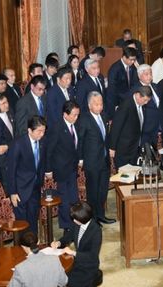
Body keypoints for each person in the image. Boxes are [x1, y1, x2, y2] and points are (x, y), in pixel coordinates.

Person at [78, 92, 115, 224]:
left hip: (104, 160)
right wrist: (81, 158)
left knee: (103, 190)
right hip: (91, 161)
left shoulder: (104, 116)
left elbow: (107, 137)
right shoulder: (84, 119)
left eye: (101, 104)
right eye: (96, 104)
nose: (99, 107)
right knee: (93, 192)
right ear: (89, 105)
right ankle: (92, 219)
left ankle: (101, 215)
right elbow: (80, 140)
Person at [7, 116, 46, 235]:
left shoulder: (42, 142)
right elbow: (11, 170)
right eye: (39, 131)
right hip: (20, 190)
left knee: (33, 219)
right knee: (22, 223)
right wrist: (12, 192)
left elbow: (40, 164)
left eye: (43, 131)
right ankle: (22, 249)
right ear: (30, 130)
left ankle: (33, 245)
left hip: (35, 187)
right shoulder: (18, 144)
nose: (42, 134)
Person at [46, 101, 81, 231]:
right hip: (60, 169)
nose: (76, 117)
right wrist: (48, 169)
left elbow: (76, 145)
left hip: (72, 168)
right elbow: (49, 150)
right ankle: (66, 226)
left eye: (77, 115)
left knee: (74, 198)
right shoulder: (57, 128)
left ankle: (75, 222)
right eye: (74, 115)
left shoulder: (75, 125)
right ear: (65, 114)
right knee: (65, 200)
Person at [51, 201, 102, 287]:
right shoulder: (77, 223)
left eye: (76, 218)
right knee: (56, 274)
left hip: (88, 266)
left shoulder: (96, 231)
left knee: (67, 281)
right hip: (77, 262)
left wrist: (73, 253)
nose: (73, 220)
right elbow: (69, 236)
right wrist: (59, 243)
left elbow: (93, 256)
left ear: (83, 217)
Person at [109, 86, 152, 168]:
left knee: (134, 175)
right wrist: (112, 147)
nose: (146, 103)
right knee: (125, 177)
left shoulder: (142, 105)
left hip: (134, 148)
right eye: (145, 100)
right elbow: (116, 127)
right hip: (124, 150)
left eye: (148, 101)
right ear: (138, 95)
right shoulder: (125, 105)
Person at [131, 64, 162, 145]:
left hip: (156, 127)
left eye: (150, 74)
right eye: (146, 74)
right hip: (144, 128)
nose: (149, 76)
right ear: (139, 76)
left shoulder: (155, 86)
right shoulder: (136, 90)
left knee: (153, 154)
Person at [106, 47, 139, 119]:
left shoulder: (132, 67)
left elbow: (135, 83)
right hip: (118, 102)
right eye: (131, 59)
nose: (133, 62)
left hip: (129, 99)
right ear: (124, 57)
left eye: (134, 59)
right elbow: (112, 90)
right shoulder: (114, 69)